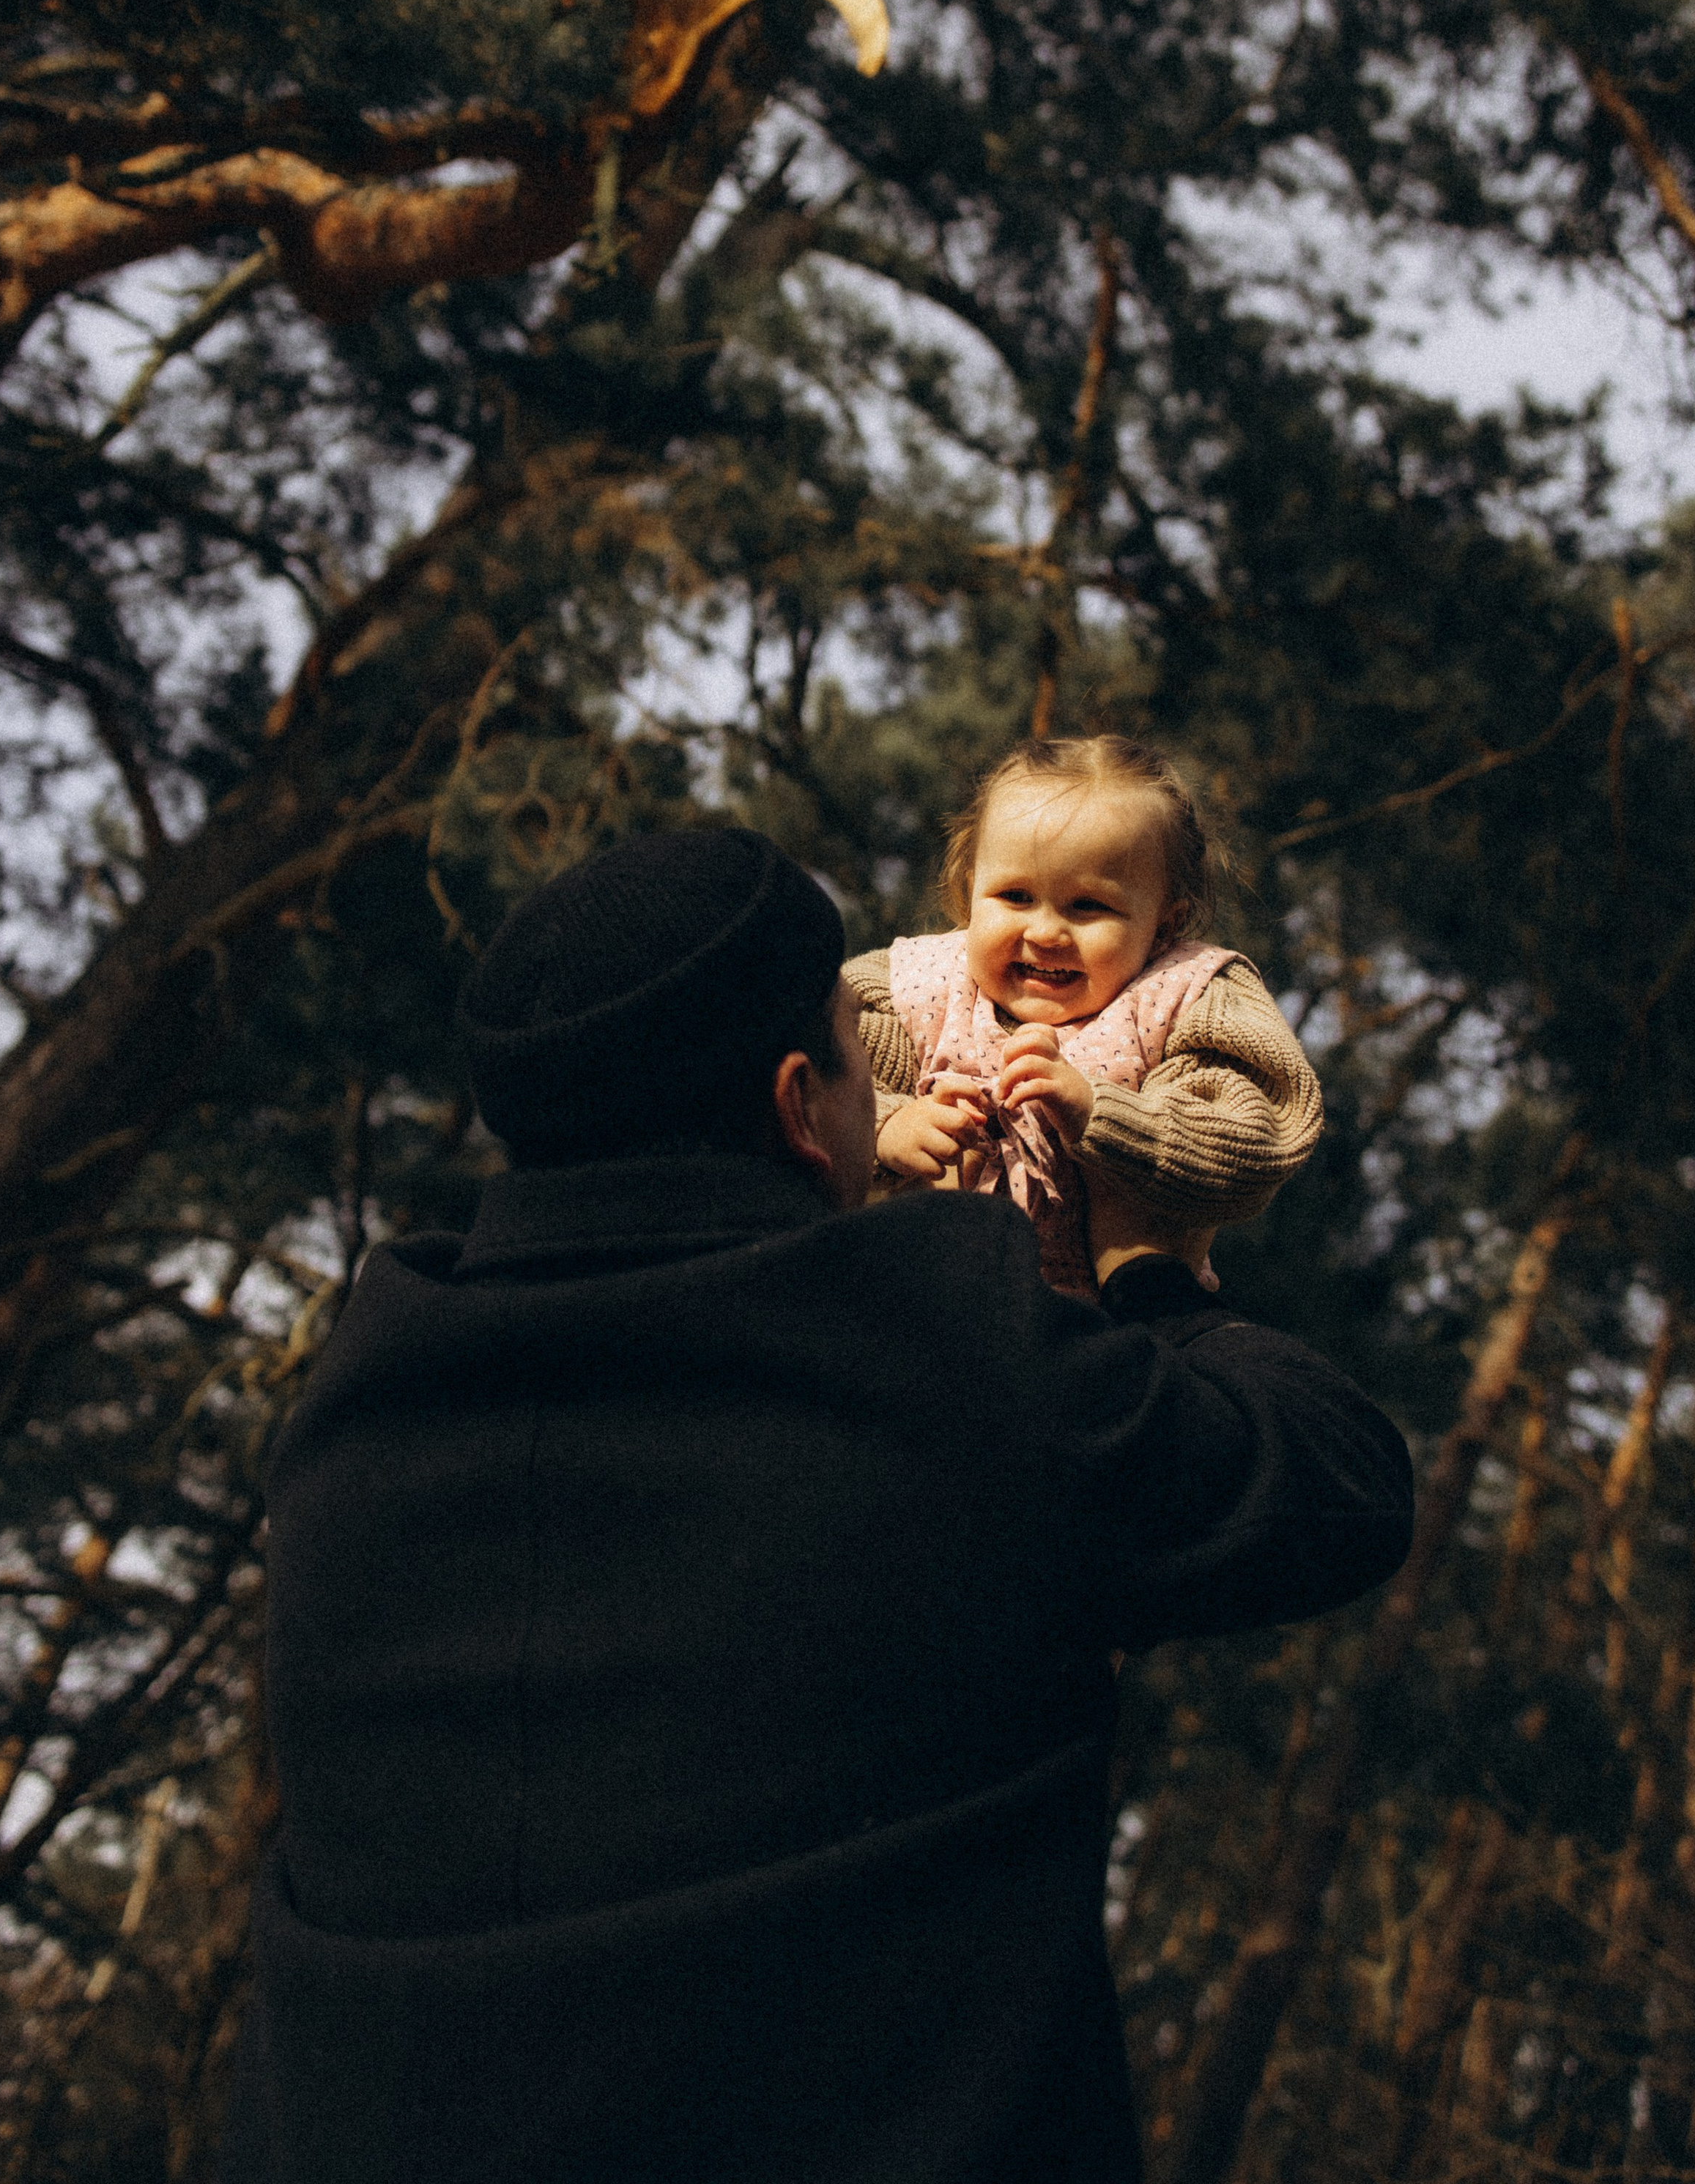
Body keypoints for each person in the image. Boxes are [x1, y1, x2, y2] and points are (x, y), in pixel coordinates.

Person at [220, 825, 1411, 2184]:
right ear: (801, 1105)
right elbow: (1339, 1480)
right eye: (865, 1049)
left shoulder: (362, 1403)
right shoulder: (930, 1346)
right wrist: (1144, 1258)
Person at [850, 736, 1322, 1296]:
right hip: (924, 1312)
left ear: (1164, 927)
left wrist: (1104, 1115)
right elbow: (807, 1083)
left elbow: (1257, 1140)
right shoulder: (915, 986)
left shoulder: (1183, 998)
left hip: (1111, 1330)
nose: (1046, 932)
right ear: (967, 890)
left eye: (1089, 906)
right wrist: (886, 1126)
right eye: (1016, 896)